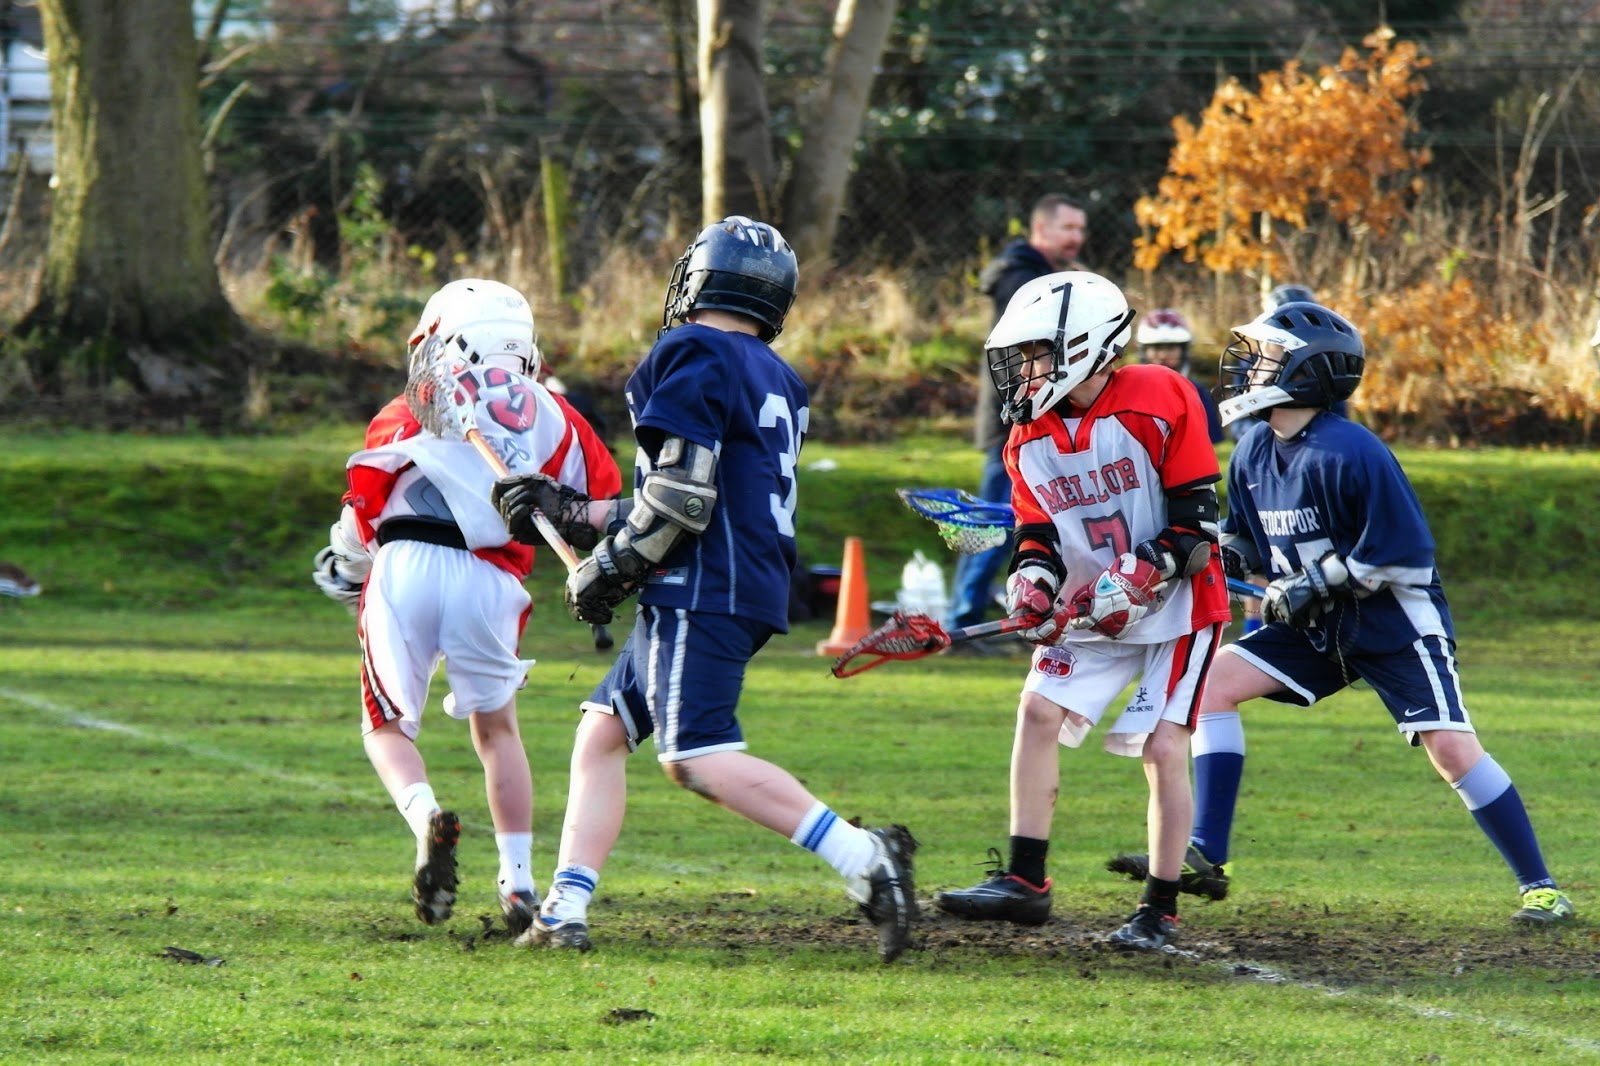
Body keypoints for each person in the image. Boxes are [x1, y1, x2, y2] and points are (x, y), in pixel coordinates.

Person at [490, 216, 918, 962]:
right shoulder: (776, 374)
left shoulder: (691, 348)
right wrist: (574, 513)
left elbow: (682, 499)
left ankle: (864, 856)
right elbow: (700, 493)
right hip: (737, 579)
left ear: (697, 279)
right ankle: (564, 907)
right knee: (602, 731)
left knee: (694, 756)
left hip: (701, 586)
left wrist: (611, 567)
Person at [1112, 299, 1574, 926]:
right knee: (1209, 687)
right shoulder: (1252, 451)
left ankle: (1542, 889)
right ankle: (1206, 854)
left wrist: (1313, 584)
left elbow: (1404, 554)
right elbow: (1246, 540)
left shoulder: (1351, 451)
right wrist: (1215, 555)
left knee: (1450, 748)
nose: (1247, 369)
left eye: (1265, 357)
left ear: (1305, 372)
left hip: (1393, 625)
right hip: (1314, 628)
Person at [930, 270, 1232, 951]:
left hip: (1178, 607)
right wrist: (1033, 584)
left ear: (1082, 345)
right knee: (1037, 711)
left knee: (1163, 747)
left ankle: (1160, 908)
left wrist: (1141, 572)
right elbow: (1036, 532)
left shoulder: (1160, 396)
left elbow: (1196, 528)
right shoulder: (1025, 436)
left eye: (1035, 354)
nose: (1023, 371)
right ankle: (1025, 880)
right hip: (1091, 605)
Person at [312, 278, 621, 937]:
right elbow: (601, 496)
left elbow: (365, 502)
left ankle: (426, 815)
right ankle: (519, 884)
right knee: (497, 731)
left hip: (405, 565)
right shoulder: (555, 413)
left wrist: (348, 565)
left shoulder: (410, 404)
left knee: (387, 727)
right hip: (491, 577)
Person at [948, 196, 1090, 633]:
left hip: (1034, 422)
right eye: (1068, 228)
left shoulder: (1038, 277)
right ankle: (963, 618)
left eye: (1080, 229)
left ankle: (1023, 610)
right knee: (997, 523)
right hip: (1014, 425)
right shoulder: (1024, 282)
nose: (1077, 238)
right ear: (1040, 229)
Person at [1135, 308, 1223, 444]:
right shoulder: (1129, 391)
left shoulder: (1196, 392)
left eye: (1171, 347)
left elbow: (1210, 440)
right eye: (1156, 348)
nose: (1163, 355)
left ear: (1183, 350)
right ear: (1144, 351)